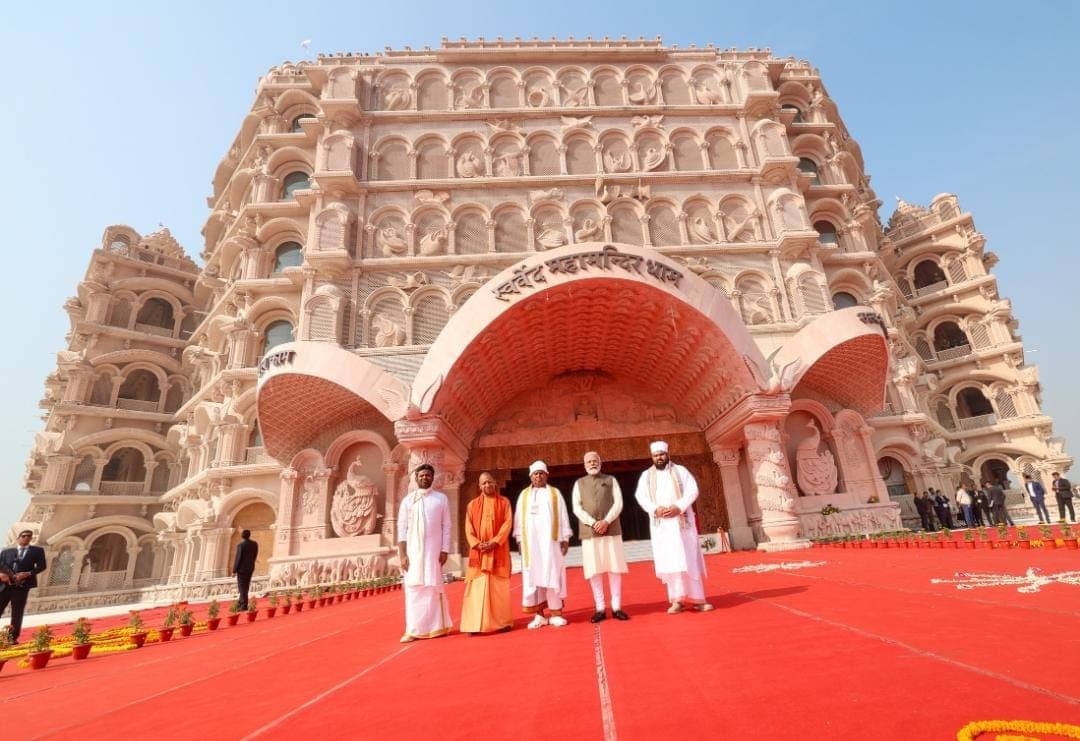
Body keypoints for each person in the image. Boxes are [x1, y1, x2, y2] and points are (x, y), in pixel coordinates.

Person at [634, 441, 713, 614]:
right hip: (662, 526)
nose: (659, 458)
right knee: (671, 562)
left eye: (661, 454)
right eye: (656, 455)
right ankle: (677, 600)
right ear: (652, 457)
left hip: (682, 523)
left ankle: (699, 599)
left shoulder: (681, 471)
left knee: (689, 559)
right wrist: (656, 509)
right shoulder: (646, 476)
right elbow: (641, 497)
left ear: (668, 454)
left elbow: (692, 491)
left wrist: (679, 506)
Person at [571, 451, 630, 623]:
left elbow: (618, 503)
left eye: (595, 461)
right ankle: (600, 608)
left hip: (611, 529)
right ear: (584, 465)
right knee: (594, 570)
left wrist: (606, 521)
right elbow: (576, 507)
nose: (592, 463)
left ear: (600, 462)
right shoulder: (579, 483)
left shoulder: (611, 480)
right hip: (590, 533)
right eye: (588, 461)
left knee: (614, 568)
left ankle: (617, 607)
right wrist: (593, 522)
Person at [397, 463, 452, 643]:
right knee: (414, 588)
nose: (424, 478)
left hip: (433, 552)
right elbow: (402, 528)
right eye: (421, 476)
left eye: (428, 475)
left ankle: (436, 627)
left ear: (432, 477)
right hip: (413, 552)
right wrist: (403, 554)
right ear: (416, 478)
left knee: (432, 587)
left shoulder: (440, 499)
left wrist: (444, 549)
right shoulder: (408, 501)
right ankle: (413, 629)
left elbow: (447, 526)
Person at [513, 460, 572, 629]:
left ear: (546, 475)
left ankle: (555, 613)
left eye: (541, 473)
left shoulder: (554, 493)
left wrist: (566, 538)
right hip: (531, 545)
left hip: (551, 543)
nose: (538, 476)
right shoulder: (523, 496)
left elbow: (563, 515)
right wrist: (518, 539)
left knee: (552, 574)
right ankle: (539, 615)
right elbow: (518, 519)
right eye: (535, 474)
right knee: (534, 578)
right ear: (530, 476)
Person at [460, 472, 513, 634]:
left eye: (490, 482)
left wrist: (495, 542)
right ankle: (474, 625)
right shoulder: (472, 505)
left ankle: (502, 623)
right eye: (484, 483)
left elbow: (507, 524)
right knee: (476, 587)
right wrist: (477, 544)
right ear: (479, 486)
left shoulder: (504, 502)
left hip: (497, 550)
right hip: (479, 552)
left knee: (498, 587)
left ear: (495, 483)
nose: (487, 486)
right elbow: (468, 528)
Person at [0, 530, 47, 643]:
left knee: (17, 612)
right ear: (18, 537)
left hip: (22, 587)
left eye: (29, 536)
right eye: (24, 536)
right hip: (4, 586)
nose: (26, 538)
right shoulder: (7, 552)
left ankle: (12, 638)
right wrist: (1, 575)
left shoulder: (37, 551)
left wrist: (27, 573)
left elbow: (42, 566)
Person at [232, 529, 258, 610]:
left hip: (242, 569)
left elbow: (238, 558)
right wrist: (251, 563)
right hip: (250, 568)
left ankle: (244, 605)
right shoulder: (254, 544)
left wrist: (234, 570)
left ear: (242, 536)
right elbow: (255, 555)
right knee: (246, 586)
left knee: (242, 587)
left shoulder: (241, 545)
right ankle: (240, 602)